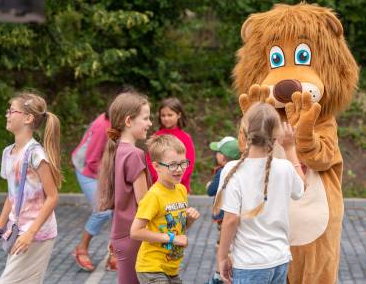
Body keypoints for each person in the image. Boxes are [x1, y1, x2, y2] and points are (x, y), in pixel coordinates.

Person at [214, 103, 306, 284]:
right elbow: (301, 188)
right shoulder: (285, 167)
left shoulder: (232, 170)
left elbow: (231, 220)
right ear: (276, 135)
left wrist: (222, 257)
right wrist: (289, 149)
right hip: (280, 259)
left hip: (250, 263)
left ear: (244, 130)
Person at [0, 92, 62, 283]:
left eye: (12, 111)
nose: (7, 114)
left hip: (37, 234)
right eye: (8, 111)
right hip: (17, 232)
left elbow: (53, 197)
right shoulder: (8, 152)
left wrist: (30, 233)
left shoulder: (36, 155)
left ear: (28, 118)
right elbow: (12, 196)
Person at [97, 91, 152, 284]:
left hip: (121, 234)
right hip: (135, 236)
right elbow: (145, 203)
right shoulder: (135, 154)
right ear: (129, 121)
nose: (150, 123)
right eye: (145, 118)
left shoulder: (116, 150)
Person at [131, 134, 200, 284]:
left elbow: (177, 228)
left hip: (172, 268)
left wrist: (189, 220)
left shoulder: (181, 190)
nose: (179, 169)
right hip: (152, 268)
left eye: (183, 163)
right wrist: (172, 239)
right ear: (156, 166)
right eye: (173, 164)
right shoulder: (154, 196)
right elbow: (135, 232)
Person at [72, 111, 116, 271]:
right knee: (103, 210)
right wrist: (110, 182)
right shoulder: (102, 126)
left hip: (107, 170)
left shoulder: (123, 124)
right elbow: (92, 161)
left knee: (119, 208)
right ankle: (81, 249)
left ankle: (115, 253)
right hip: (88, 170)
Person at [205, 136, 240, 284]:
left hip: (223, 217)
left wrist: (208, 185)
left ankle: (220, 275)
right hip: (235, 214)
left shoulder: (223, 171)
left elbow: (211, 190)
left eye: (217, 152)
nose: (215, 154)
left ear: (223, 156)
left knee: (223, 245)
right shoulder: (239, 169)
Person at [146, 98, 195, 193]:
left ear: (179, 115)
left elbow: (189, 163)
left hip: (179, 187)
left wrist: (176, 181)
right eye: (163, 115)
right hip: (158, 187)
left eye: (170, 115)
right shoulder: (156, 137)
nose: (166, 118)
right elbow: (150, 161)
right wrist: (161, 180)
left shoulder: (185, 138)